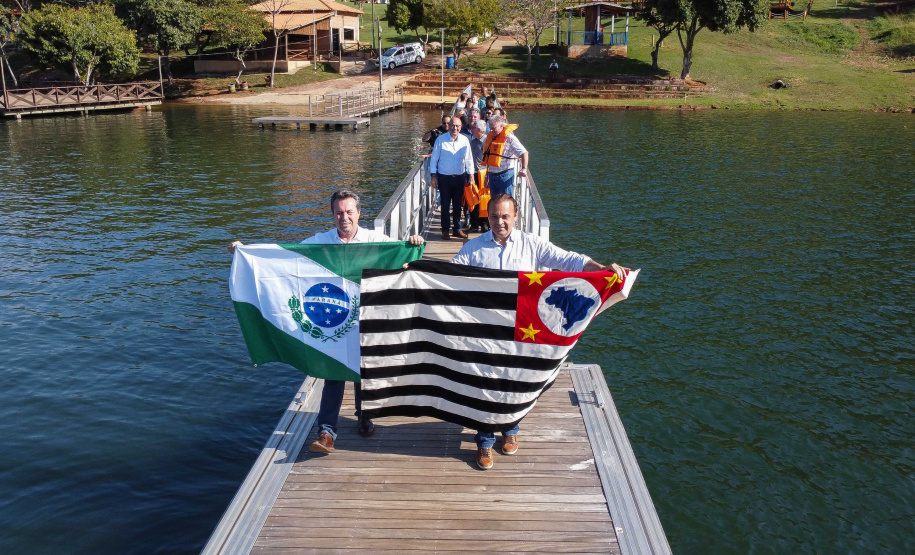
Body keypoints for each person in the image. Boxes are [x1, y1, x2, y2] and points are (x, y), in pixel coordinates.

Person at [229, 190, 424, 454]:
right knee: (332, 373)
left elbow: (398, 256)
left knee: (362, 369)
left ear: (359, 213)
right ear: (332, 215)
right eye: (339, 212)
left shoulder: (374, 240)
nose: (345, 217)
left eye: (349, 212)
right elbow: (287, 259)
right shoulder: (320, 243)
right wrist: (245, 251)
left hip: (363, 316)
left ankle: (364, 416)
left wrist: (413, 244)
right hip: (331, 319)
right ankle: (326, 431)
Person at [452, 193, 627, 470]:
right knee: (485, 385)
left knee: (517, 382)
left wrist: (601, 269)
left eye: (505, 216)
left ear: (516, 216)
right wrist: (413, 266)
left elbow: (569, 260)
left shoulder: (532, 244)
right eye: (495, 216)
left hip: (522, 330)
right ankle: (484, 441)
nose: (500, 222)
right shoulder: (473, 248)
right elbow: (446, 274)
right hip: (487, 331)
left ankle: (510, 428)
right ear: (488, 215)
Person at [430, 118, 475, 240]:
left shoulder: (465, 140)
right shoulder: (440, 140)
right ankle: (445, 230)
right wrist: (433, 176)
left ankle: (457, 229)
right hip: (444, 177)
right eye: (453, 125)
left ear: (461, 127)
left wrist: (471, 175)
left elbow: (469, 159)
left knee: (458, 205)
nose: (455, 128)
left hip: (460, 177)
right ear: (449, 126)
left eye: (458, 126)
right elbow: (434, 159)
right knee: (445, 205)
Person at [482, 115, 528, 198]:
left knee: (505, 201)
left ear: (501, 126)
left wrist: (524, 168)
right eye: (490, 128)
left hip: (505, 175)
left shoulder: (510, 138)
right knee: (494, 202)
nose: (491, 131)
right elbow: (489, 158)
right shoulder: (491, 137)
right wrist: (486, 176)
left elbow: (524, 152)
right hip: (492, 175)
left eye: (494, 128)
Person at [467, 119, 489, 232]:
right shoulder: (472, 142)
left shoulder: (488, 142)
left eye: (474, 127)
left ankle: (484, 223)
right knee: (472, 199)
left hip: (484, 174)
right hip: (473, 174)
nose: (471, 129)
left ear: (479, 130)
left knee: (484, 199)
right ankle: (474, 224)